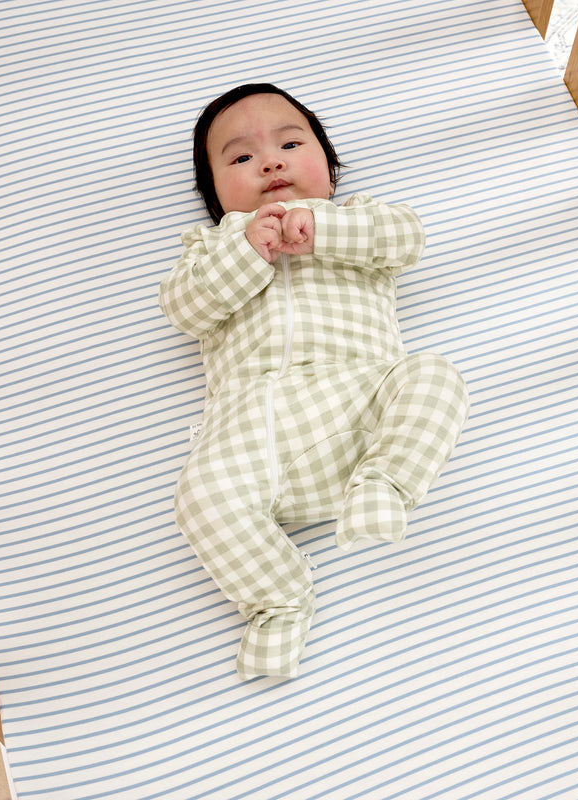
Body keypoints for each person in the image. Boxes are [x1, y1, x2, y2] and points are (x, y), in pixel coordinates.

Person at [159, 83, 470, 679]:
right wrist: (246, 252)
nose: (270, 163)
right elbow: (184, 309)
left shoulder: (354, 219)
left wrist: (320, 229)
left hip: (361, 401)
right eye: (241, 157)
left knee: (435, 377)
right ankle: (279, 599)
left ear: (329, 169)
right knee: (200, 498)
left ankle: (386, 484)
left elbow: (406, 238)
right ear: (215, 194)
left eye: (290, 144)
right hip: (254, 428)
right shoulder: (213, 246)